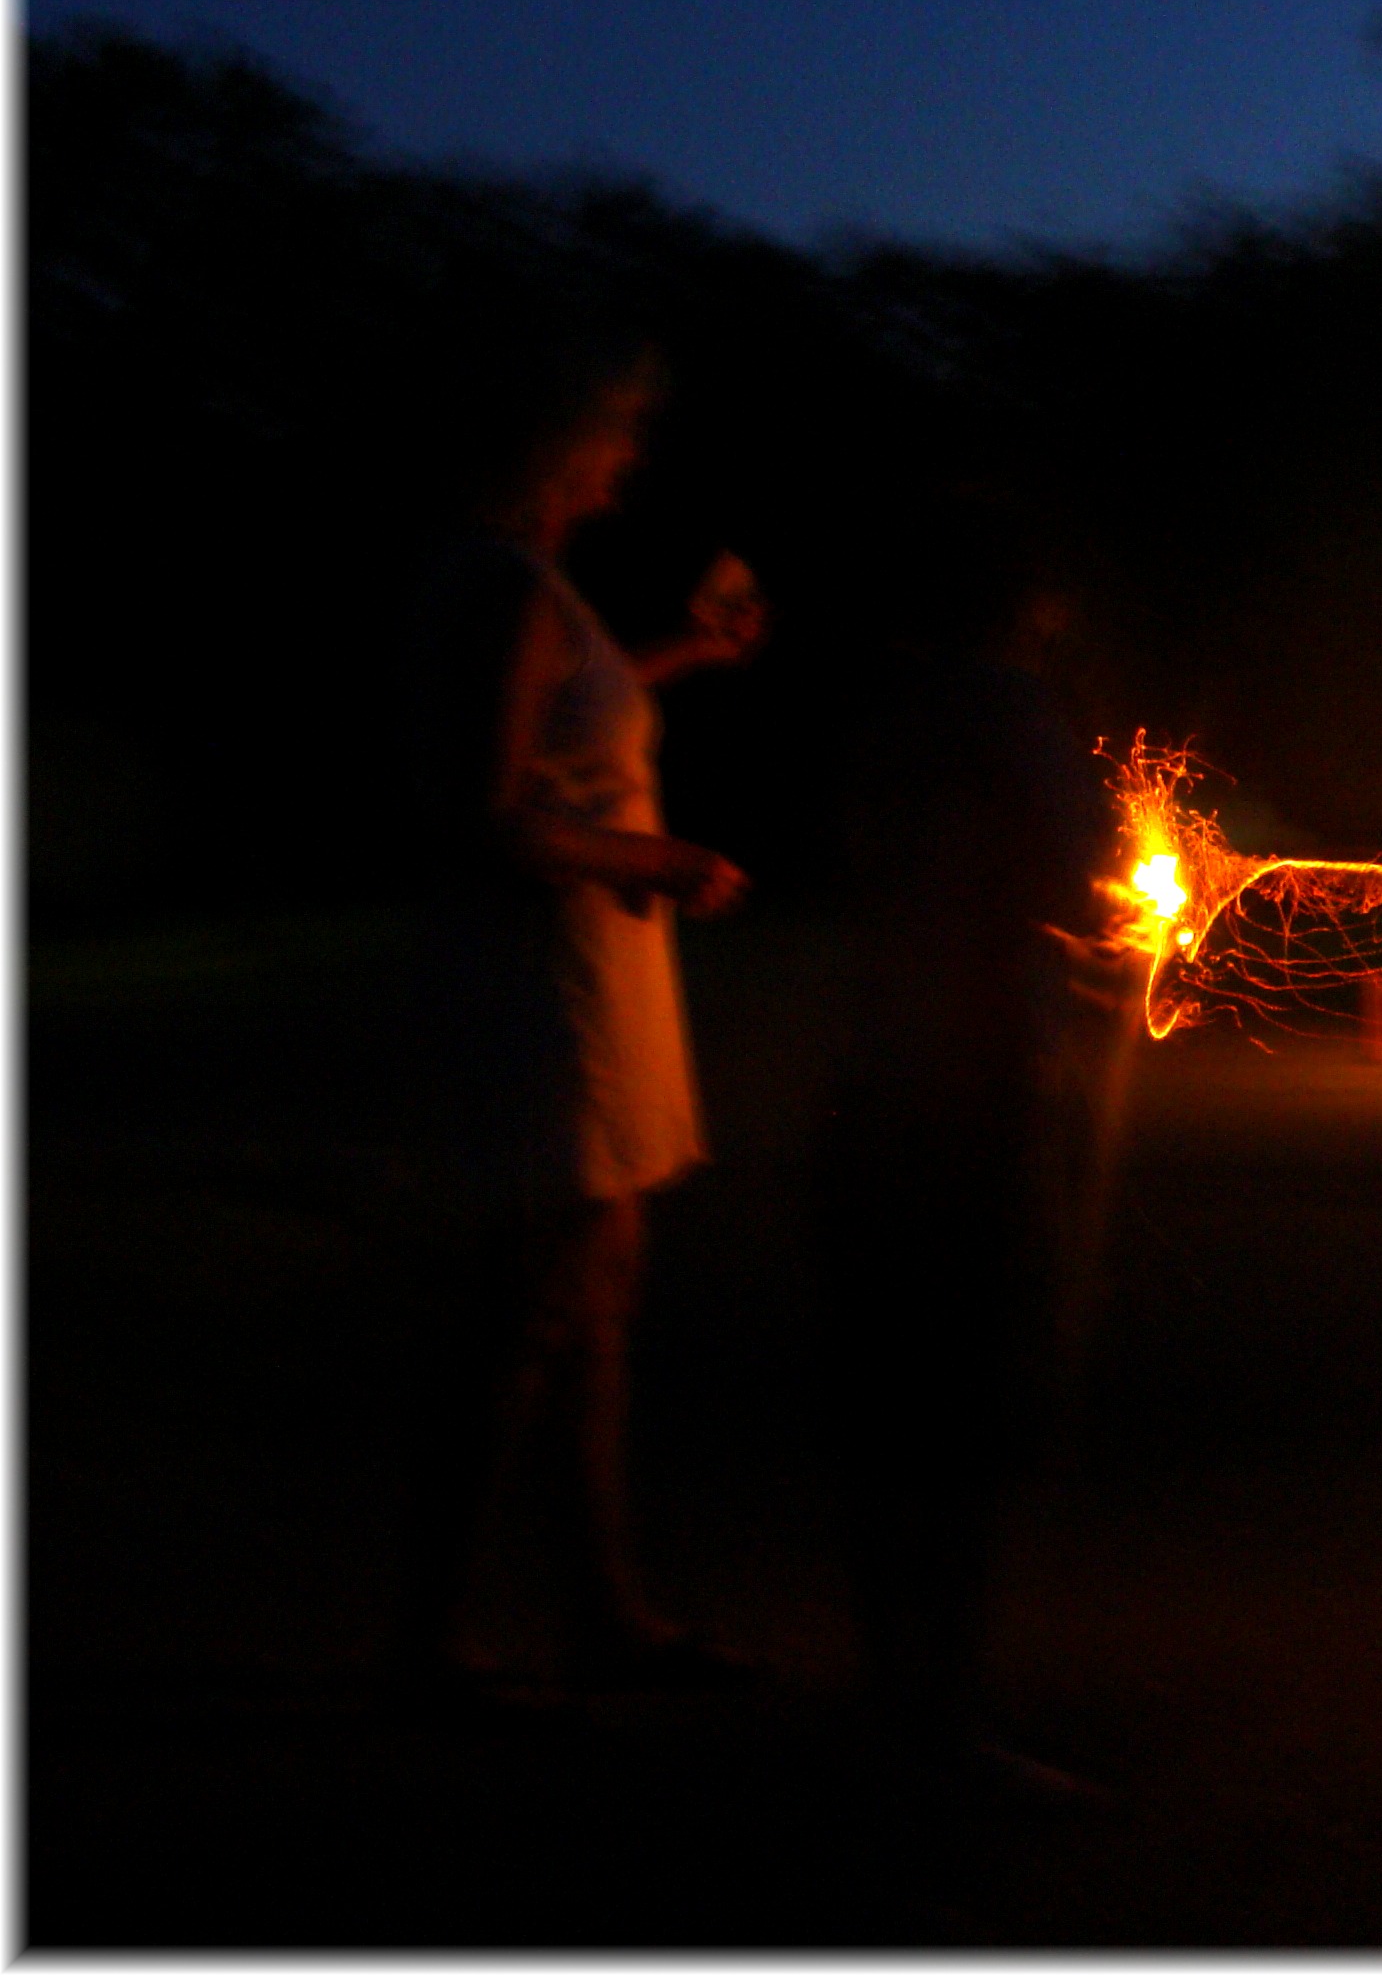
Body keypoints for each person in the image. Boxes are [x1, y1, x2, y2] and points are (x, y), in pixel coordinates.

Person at [402, 329, 765, 1703]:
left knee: (597, 1297)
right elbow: (485, 811)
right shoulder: (502, 584)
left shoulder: (516, 582)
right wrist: (657, 860)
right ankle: (430, 1641)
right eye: (613, 434)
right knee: (530, 1314)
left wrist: (686, 652)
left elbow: (570, 719)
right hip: (550, 1002)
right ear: (557, 444)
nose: (626, 460)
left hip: (587, 994)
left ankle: (605, 1612)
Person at [813, 493, 1113, 1797]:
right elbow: (1062, 878)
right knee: (974, 1396)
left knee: (890, 1395)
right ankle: (946, 1725)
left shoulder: (892, 713)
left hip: (876, 1069)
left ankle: (893, 1695)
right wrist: (1092, 925)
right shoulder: (1009, 714)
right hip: (983, 1082)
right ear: (1030, 603)